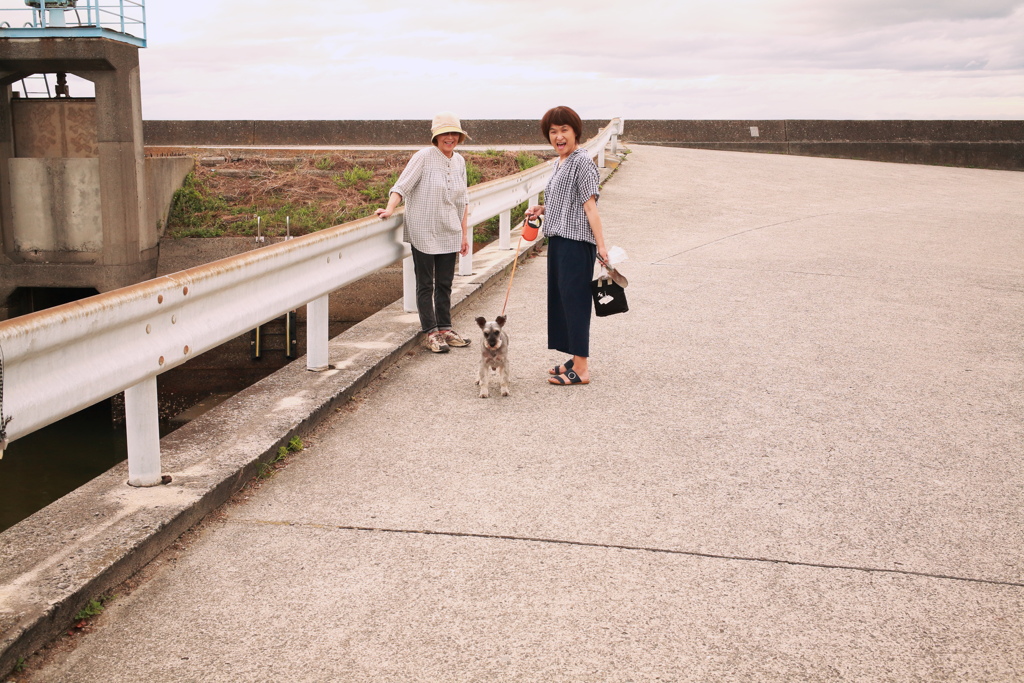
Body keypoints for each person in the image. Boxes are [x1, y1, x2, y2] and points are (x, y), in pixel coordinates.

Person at [525, 106, 609, 386]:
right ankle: (574, 358)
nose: (558, 136)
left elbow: (589, 206)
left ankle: (582, 369)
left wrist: (602, 247)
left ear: (575, 132)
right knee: (561, 302)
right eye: (553, 131)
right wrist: (543, 209)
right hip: (560, 240)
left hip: (576, 244)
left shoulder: (582, 162)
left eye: (564, 130)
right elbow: (567, 203)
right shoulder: (560, 162)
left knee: (575, 304)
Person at [376, 113, 472, 353]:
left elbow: (463, 201)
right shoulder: (423, 157)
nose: (449, 138)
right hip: (423, 228)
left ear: (459, 137)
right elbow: (401, 186)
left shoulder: (459, 161)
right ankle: (430, 332)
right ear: (436, 137)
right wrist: (389, 209)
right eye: (444, 134)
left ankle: (445, 329)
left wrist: (463, 234)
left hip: (449, 229)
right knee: (425, 284)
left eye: (453, 134)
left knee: (445, 283)